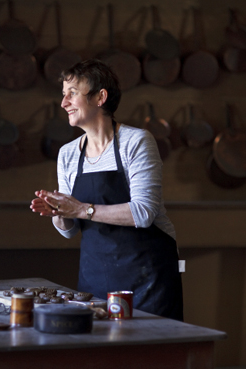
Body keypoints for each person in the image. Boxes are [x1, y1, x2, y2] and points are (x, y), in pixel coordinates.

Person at [30, 59, 183, 321]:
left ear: (100, 97)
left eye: (72, 94)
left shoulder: (136, 141)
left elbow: (143, 213)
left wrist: (79, 208)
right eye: (63, 94)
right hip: (95, 277)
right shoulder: (67, 154)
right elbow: (69, 230)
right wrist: (58, 211)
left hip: (149, 278)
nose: (63, 103)